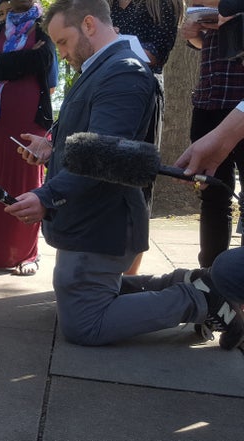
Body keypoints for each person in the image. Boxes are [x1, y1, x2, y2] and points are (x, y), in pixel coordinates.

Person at [3, 0, 244, 349]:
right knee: (74, 295)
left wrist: (45, 196)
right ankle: (191, 282)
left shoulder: (123, 72)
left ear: (88, 25)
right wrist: (50, 147)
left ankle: (206, 301)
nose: (63, 54)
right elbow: (91, 142)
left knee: (84, 323)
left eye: (63, 42)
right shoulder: (105, 68)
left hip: (103, 222)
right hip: (91, 216)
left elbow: (103, 154)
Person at [0, 0, 55, 275]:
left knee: (26, 178)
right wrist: (22, 60)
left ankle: (27, 254)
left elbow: (43, 61)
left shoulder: (45, 25)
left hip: (30, 116)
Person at [108, 0, 184, 275]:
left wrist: (114, 43)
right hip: (107, 92)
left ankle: (129, 276)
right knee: (104, 179)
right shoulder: (106, 4)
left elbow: (157, 53)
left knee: (137, 182)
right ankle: (100, 271)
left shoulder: (162, 4)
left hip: (143, 94)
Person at [181, 0, 244, 268]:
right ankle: (210, 274)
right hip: (208, 102)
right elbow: (204, 44)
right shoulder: (200, 7)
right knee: (212, 196)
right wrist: (194, 35)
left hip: (239, 105)